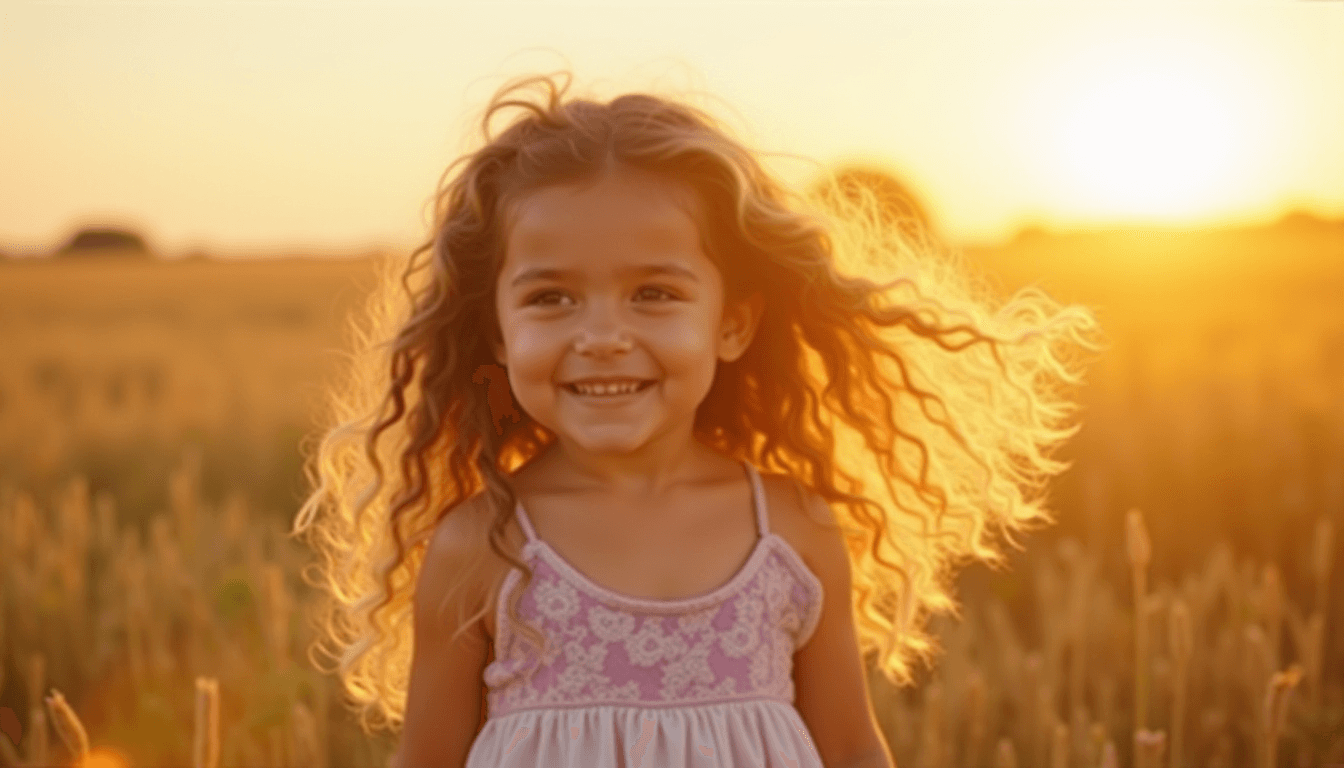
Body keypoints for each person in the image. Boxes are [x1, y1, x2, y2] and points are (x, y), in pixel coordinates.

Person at [293, 71, 1104, 768]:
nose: (603, 337)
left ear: (733, 324)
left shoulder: (790, 530)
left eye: (654, 293)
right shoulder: (484, 547)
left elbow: (852, 748)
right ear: (498, 333)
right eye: (551, 298)